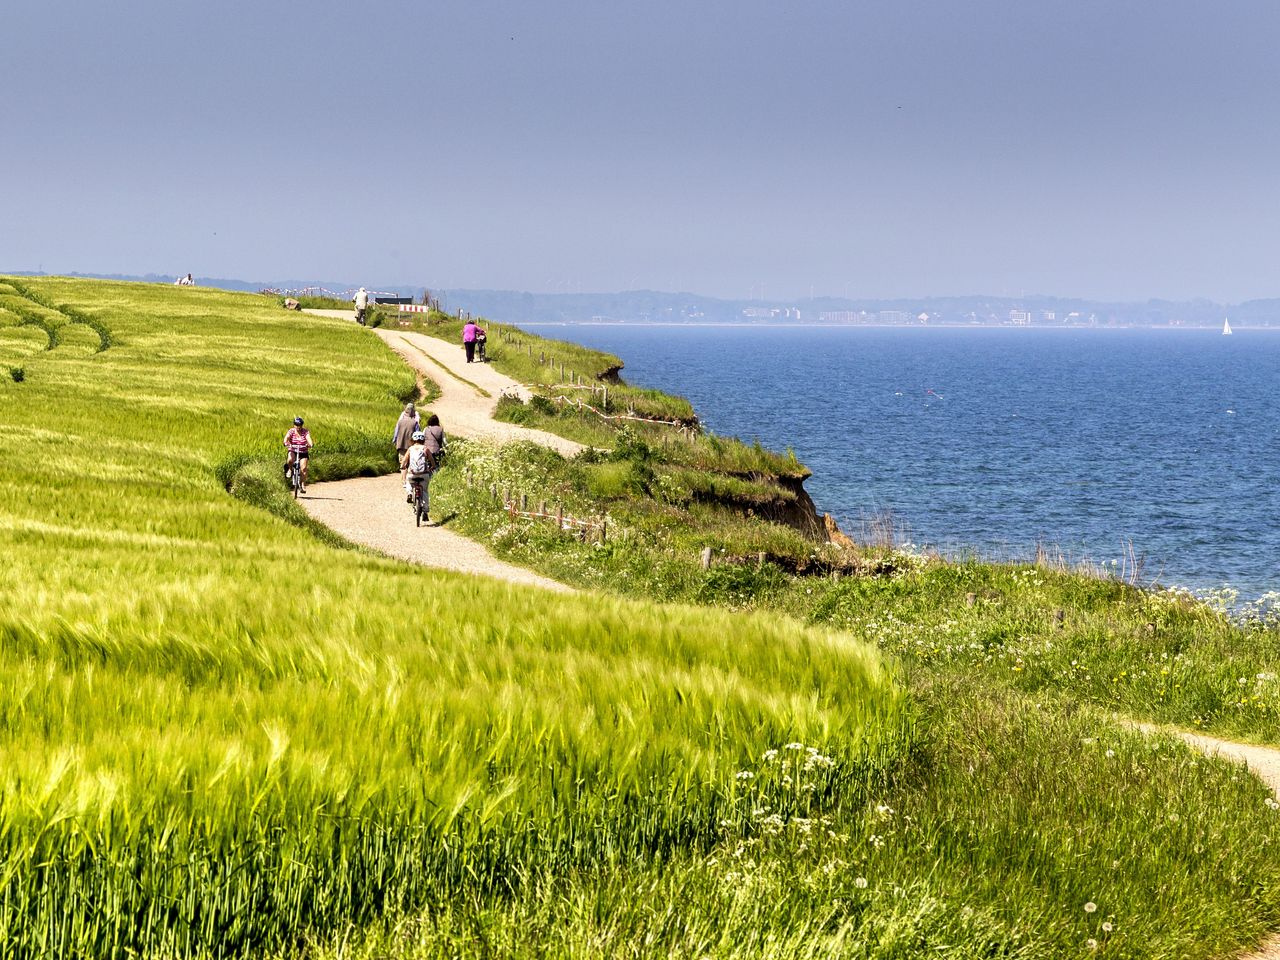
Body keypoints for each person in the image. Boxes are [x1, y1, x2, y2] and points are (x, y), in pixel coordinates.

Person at [401, 430, 437, 510]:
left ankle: (410, 493)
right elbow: (431, 460)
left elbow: (404, 461)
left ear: (413, 440)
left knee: (408, 481)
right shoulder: (425, 449)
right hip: (424, 474)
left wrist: (402, 466)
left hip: (412, 474)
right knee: (424, 491)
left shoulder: (410, 449)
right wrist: (433, 466)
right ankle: (425, 510)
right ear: (423, 440)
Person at [283, 417, 314, 492]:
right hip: (293, 450)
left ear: (302, 425)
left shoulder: (305, 432)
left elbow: (309, 439)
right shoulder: (291, 431)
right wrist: (286, 443)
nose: (298, 426)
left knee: (303, 468)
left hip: (303, 451)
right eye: (296, 425)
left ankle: (302, 485)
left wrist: (310, 444)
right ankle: (290, 470)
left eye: (299, 425)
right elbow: (286, 438)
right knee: (290, 460)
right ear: (294, 425)